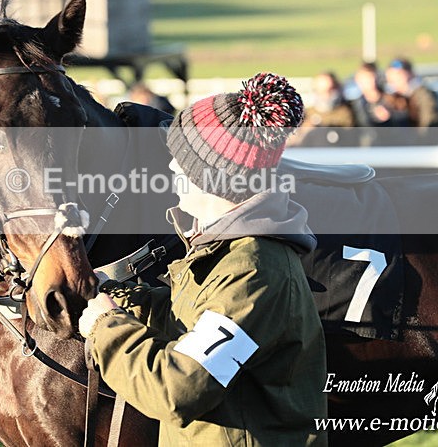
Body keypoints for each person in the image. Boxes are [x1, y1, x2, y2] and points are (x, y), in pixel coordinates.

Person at [79, 72, 327, 446]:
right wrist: (124, 298)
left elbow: (178, 390)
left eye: (181, 161)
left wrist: (105, 326)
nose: (173, 169)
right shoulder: (226, 250)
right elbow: (195, 319)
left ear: (211, 178)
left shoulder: (252, 270)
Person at [288, 70, 359, 147]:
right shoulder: (306, 114)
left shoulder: (349, 111)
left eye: (330, 90)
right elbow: (291, 142)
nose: (326, 95)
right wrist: (304, 131)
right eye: (321, 91)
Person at [384, 57, 438, 144]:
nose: (394, 80)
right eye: (391, 77)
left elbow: (429, 122)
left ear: (410, 74)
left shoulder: (423, 95)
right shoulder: (392, 97)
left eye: (398, 75)